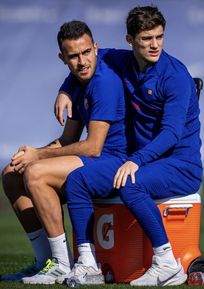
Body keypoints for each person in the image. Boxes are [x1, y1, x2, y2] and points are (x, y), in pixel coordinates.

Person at [56, 5, 203, 286]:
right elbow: (84, 62)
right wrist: (65, 90)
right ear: (130, 40)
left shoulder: (175, 76)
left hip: (180, 165)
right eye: (147, 38)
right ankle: (89, 267)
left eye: (159, 37)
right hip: (143, 161)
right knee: (77, 180)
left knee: (131, 184)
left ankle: (166, 263)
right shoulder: (119, 60)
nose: (155, 44)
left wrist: (136, 160)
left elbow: (171, 134)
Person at [0, 20, 128, 285]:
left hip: (114, 162)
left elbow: (93, 147)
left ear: (96, 48)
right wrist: (32, 152)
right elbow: (67, 139)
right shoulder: (80, 83)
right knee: (12, 173)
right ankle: (44, 262)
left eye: (85, 52)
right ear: (63, 58)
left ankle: (61, 264)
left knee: (36, 173)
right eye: (73, 56)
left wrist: (38, 157)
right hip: (96, 160)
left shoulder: (104, 83)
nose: (81, 61)